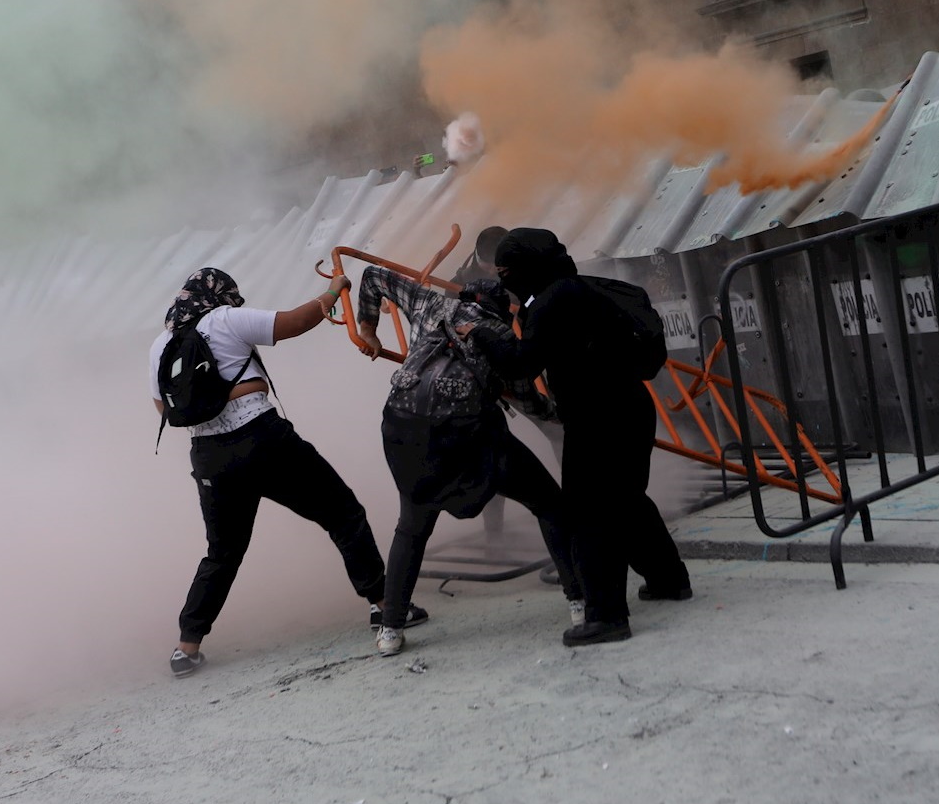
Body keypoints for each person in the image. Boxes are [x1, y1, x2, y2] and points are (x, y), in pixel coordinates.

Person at [152, 267, 401, 678]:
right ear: (222, 294)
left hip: (209, 456)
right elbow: (296, 322)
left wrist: (210, 401)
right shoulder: (224, 319)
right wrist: (335, 288)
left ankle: (186, 647)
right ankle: (386, 607)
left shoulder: (161, 345)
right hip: (261, 439)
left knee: (222, 552)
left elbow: (166, 409)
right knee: (342, 513)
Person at [461, 228, 691, 647]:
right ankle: (669, 579)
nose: (506, 281)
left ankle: (606, 615)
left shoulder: (554, 300)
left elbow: (520, 364)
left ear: (528, 266)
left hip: (599, 420)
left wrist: (477, 334)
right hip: (628, 410)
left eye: (509, 272)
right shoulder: (572, 288)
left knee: (590, 513)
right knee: (627, 499)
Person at [349, 264, 582, 656]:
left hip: (403, 430)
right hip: (464, 434)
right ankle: (581, 602)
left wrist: (368, 328)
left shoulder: (428, 304)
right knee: (549, 502)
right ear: (499, 309)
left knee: (412, 525)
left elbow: (373, 275)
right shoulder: (501, 333)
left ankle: (390, 632)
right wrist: (562, 413)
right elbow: (528, 401)